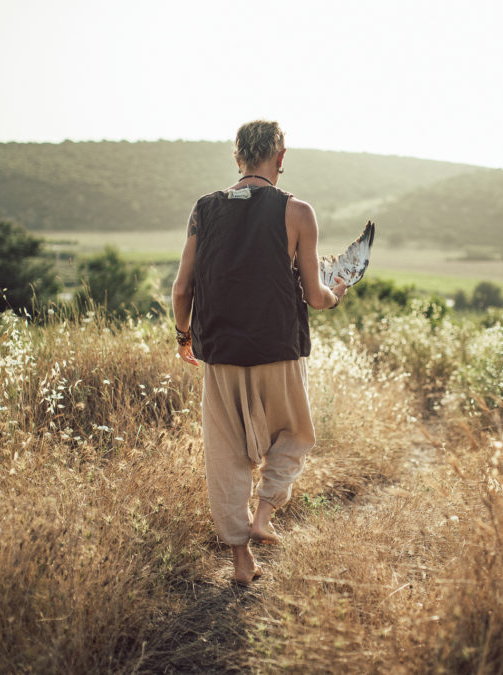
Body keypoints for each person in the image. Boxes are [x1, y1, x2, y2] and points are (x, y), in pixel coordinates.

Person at [171, 120, 347, 584]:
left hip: (220, 352)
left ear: (237, 158)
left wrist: (183, 338)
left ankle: (241, 563)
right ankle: (265, 513)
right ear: (281, 157)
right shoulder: (298, 212)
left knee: (225, 456)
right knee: (295, 433)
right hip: (280, 349)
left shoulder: (204, 209)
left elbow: (181, 288)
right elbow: (314, 295)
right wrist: (338, 291)